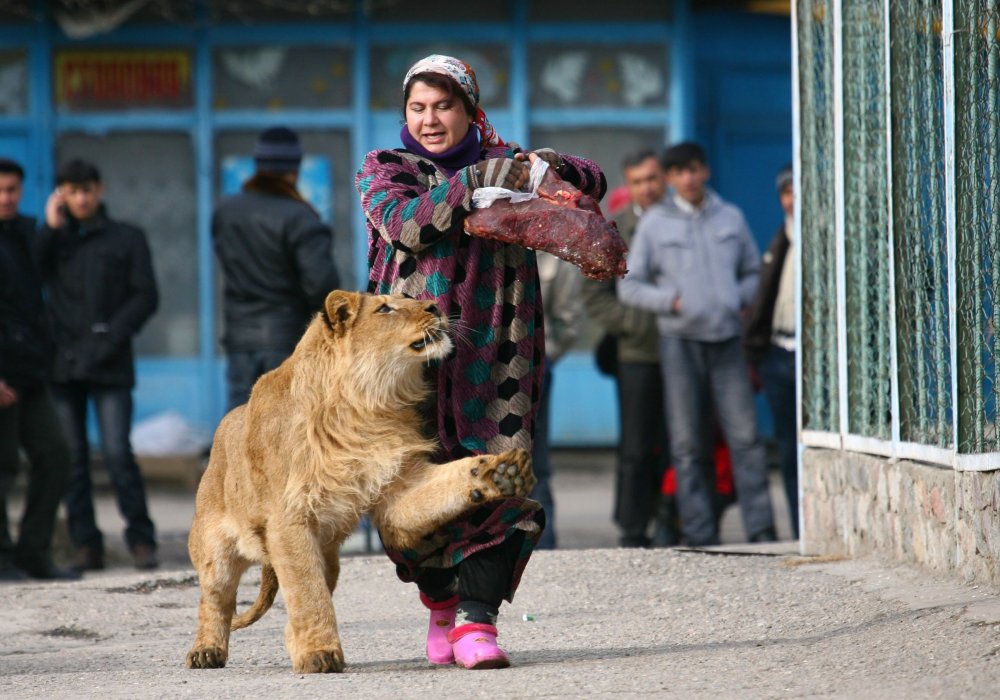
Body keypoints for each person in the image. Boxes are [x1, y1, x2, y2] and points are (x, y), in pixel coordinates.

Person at [355, 54, 606, 669]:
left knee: (503, 475)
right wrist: (473, 182)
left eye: (444, 106)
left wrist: (540, 168)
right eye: (418, 108)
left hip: (502, 351)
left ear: (470, 110)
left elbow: (590, 181)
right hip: (409, 364)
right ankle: (440, 601)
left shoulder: (505, 162)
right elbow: (407, 225)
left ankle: (477, 621)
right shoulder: (386, 169)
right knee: (409, 490)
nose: (431, 119)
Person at [618, 141, 776, 546]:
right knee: (687, 443)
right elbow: (630, 286)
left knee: (746, 438)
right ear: (670, 179)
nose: (688, 178)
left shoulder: (731, 217)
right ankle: (700, 532)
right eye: (679, 172)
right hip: (679, 344)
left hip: (727, 343)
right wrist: (670, 301)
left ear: (705, 171)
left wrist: (732, 298)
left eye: (694, 169)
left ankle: (762, 529)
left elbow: (753, 273)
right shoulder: (655, 224)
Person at [40, 158, 160, 572]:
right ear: (61, 195)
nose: (82, 198)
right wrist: (50, 229)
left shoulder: (126, 238)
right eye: (72, 191)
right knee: (71, 458)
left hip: (110, 363)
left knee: (116, 453)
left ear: (100, 189)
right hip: (63, 365)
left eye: (87, 189)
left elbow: (146, 296)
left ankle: (142, 540)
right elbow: (23, 279)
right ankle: (85, 545)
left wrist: (111, 335)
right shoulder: (52, 241)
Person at [581, 148, 676, 548]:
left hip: (686, 349)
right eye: (638, 181)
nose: (647, 188)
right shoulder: (615, 232)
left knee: (681, 444)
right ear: (629, 185)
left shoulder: (683, 223)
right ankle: (633, 526)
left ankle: (675, 521)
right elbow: (594, 296)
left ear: (664, 180)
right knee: (637, 446)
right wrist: (636, 324)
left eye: (653, 179)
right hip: (637, 355)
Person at [212, 126, 341, 410]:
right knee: (284, 421)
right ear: (294, 169)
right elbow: (321, 286)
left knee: (240, 421)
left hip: (238, 335)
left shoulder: (226, 212)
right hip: (287, 336)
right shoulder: (301, 217)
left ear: (257, 165)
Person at [0, 158, 79, 581]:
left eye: (12, 189)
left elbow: (45, 271)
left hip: (30, 371)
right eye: (0, 190)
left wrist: (51, 226)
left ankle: (33, 553)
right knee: (3, 465)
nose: (6, 198)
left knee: (54, 455)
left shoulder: (26, 232)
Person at [744, 162, 798, 538]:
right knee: (788, 449)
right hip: (778, 352)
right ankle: (800, 530)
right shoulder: (780, 239)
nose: (793, 199)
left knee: (813, 444)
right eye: (786, 191)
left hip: (813, 356)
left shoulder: (833, 239)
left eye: (799, 189)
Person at [530, 251, 583, 550]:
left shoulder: (552, 256)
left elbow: (567, 320)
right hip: (482, 367)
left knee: (536, 464)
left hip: (535, 366)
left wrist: (545, 356)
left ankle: (544, 546)